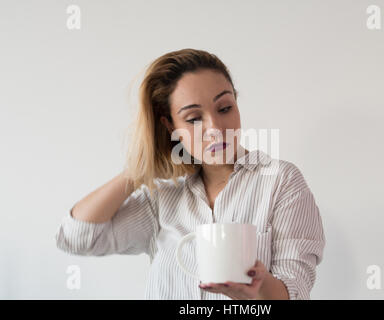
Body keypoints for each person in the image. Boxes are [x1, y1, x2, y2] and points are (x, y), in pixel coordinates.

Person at [55, 48, 326, 300]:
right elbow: (77, 238)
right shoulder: (163, 195)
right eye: (194, 118)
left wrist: (260, 288)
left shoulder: (280, 180)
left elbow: (296, 288)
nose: (215, 128)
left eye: (224, 108)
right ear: (170, 126)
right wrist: (137, 174)